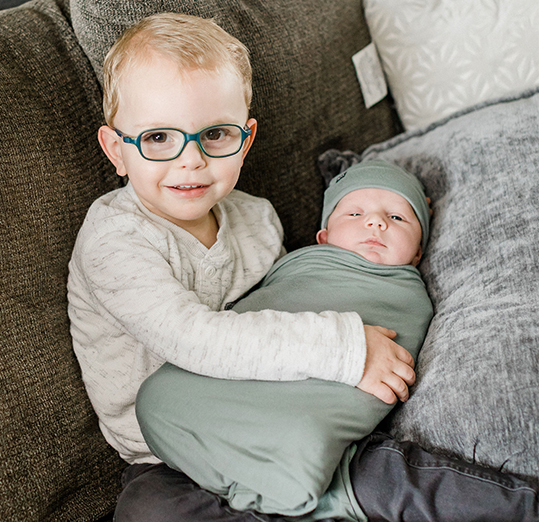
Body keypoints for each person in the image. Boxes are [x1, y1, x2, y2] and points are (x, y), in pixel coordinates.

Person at [65, 12, 539, 522]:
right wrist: (348, 348)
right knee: (148, 513)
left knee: (403, 482)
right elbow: (191, 338)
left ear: (245, 139)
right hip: (170, 454)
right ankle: (320, 498)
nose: (192, 160)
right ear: (117, 150)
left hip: (284, 409)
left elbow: (295, 299)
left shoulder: (257, 219)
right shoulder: (115, 241)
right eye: (158, 138)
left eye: (216, 135)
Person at [136, 159, 435, 519]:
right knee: (157, 397)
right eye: (355, 213)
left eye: (398, 218)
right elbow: (265, 314)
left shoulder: (406, 296)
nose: (376, 222)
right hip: (241, 386)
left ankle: (277, 482)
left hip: (304, 421)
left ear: (418, 252)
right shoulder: (298, 266)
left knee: (303, 439)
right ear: (323, 238)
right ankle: (266, 487)